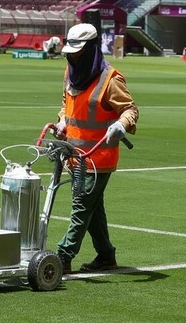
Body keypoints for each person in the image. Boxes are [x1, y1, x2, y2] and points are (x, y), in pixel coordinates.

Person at [53, 23, 138, 273]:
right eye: (70, 52)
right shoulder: (71, 73)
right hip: (74, 155)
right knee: (92, 207)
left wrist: (122, 125)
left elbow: (130, 109)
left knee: (82, 205)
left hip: (98, 157)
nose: (72, 56)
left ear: (90, 50)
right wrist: (61, 121)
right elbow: (66, 103)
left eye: (77, 52)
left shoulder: (110, 80)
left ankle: (62, 256)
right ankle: (105, 255)